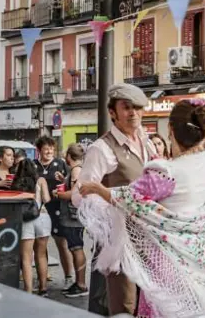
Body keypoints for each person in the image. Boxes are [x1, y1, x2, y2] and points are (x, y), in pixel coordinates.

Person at [78, 98, 205, 317]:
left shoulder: (165, 173)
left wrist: (99, 189)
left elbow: (130, 199)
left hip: (167, 264)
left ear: (170, 130)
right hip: (198, 265)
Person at [74, 83, 158, 315]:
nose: (134, 113)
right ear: (112, 112)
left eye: (138, 108)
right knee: (125, 304)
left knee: (148, 302)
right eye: (126, 108)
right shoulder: (102, 148)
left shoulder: (146, 142)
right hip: (120, 242)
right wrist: (111, 216)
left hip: (149, 237)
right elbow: (79, 195)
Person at [33, 136, 74, 291]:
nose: (49, 151)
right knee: (40, 246)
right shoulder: (33, 165)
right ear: (39, 150)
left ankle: (69, 276)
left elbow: (71, 183)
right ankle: (43, 277)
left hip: (57, 209)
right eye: (46, 148)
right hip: (38, 211)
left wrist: (63, 179)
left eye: (51, 148)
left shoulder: (60, 164)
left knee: (61, 243)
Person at [10, 158, 51, 295]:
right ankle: (43, 288)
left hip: (25, 220)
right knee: (41, 255)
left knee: (26, 258)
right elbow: (47, 199)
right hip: (43, 218)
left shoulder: (15, 183)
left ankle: (28, 291)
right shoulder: (41, 180)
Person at [52, 144, 88, 298]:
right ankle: (79, 283)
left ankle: (81, 284)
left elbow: (74, 193)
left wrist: (58, 194)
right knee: (74, 247)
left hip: (73, 218)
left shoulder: (76, 170)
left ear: (69, 156)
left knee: (76, 248)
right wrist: (63, 179)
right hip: (75, 217)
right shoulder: (76, 170)